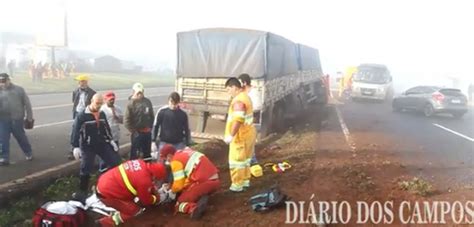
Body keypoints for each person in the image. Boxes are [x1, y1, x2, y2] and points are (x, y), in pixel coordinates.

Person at [70, 94, 121, 202]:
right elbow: (75, 131)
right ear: (92, 101)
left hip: (101, 143)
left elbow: (106, 127)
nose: (98, 106)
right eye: (97, 103)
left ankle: (111, 185)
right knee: (86, 167)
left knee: (115, 162)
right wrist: (75, 146)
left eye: (100, 103)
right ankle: (82, 191)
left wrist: (111, 140)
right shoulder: (82, 116)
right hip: (87, 145)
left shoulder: (101, 114)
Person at [95, 159, 170, 227]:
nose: (156, 182)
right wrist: (157, 199)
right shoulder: (144, 182)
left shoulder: (141, 162)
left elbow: (144, 183)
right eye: (157, 179)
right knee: (135, 211)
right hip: (107, 195)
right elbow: (146, 201)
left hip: (105, 181)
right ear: (154, 176)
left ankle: (121, 209)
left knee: (131, 202)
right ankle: (106, 222)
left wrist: (154, 191)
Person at [159, 145, 220, 219]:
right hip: (214, 180)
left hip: (204, 183)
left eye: (165, 159)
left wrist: (172, 191)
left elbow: (178, 185)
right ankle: (201, 196)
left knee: (179, 203)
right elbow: (188, 177)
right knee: (188, 190)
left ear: (169, 155)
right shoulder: (186, 151)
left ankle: (193, 209)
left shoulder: (175, 161)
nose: (166, 161)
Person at [223, 77, 257, 192]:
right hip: (248, 134)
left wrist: (230, 135)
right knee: (246, 161)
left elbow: (238, 119)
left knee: (237, 162)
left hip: (240, 137)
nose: (228, 93)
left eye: (228, 90)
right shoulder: (245, 97)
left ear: (234, 87)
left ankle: (237, 186)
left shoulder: (238, 101)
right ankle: (245, 182)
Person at [0, 73, 34, 166]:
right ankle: (4, 157)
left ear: (8, 80)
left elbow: (27, 104)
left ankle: (28, 152)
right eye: (0, 82)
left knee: (20, 137)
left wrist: (29, 117)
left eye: (3, 81)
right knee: (3, 139)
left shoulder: (18, 90)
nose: (2, 84)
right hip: (3, 119)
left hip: (17, 119)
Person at [151, 92, 191, 157]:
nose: (173, 105)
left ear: (178, 103)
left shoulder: (183, 114)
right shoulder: (162, 112)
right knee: (162, 162)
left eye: (175, 104)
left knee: (178, 163)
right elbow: (156, 126)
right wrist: (153, 141)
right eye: (171, 103)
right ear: (168, 101)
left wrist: (187, 144)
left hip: (178, 143)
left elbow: (187, 129)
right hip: (164, 142)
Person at [68, 74, 96, 160]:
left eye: (81, 82)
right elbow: (74, 101)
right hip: (77, 113)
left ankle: (88, 150)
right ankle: (73, 149)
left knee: (87, 131)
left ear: (85, 82)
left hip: (86, 113)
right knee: (75, 130)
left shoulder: (92, 93)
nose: (80, 83)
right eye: (79, 82)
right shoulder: (76, 91)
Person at [124, 83, 154, 160]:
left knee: (147, 153)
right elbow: (126, 120)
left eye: (141, 92)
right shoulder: (130, 104)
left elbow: (151, 116)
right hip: (137, 133)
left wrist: (150, 127)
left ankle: (147, 166)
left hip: (147, 132)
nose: (140, 95)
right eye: (138, 93)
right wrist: (133, 131)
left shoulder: (147, 101)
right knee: (135, 153)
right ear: (134, 92)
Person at [237, 74, 262, 166]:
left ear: (244, 83)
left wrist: (246, 109)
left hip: (252, 120)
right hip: (244, 121)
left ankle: (253, 161)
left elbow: (258, 106)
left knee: (250, 142)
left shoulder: (254, 92)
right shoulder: (241, 93)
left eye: (239, 82)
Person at [99, 91, 124, 172]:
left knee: (115, 157)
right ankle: (103, 172)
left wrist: (116, 116)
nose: (112, 101)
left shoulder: (118, 109)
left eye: (113, 99)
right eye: (110, 100)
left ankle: (114, 172)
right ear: (105, 100)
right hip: (105, 137)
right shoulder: (102, 110)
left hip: (115, 136)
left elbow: (122, 120)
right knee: (104, 157)